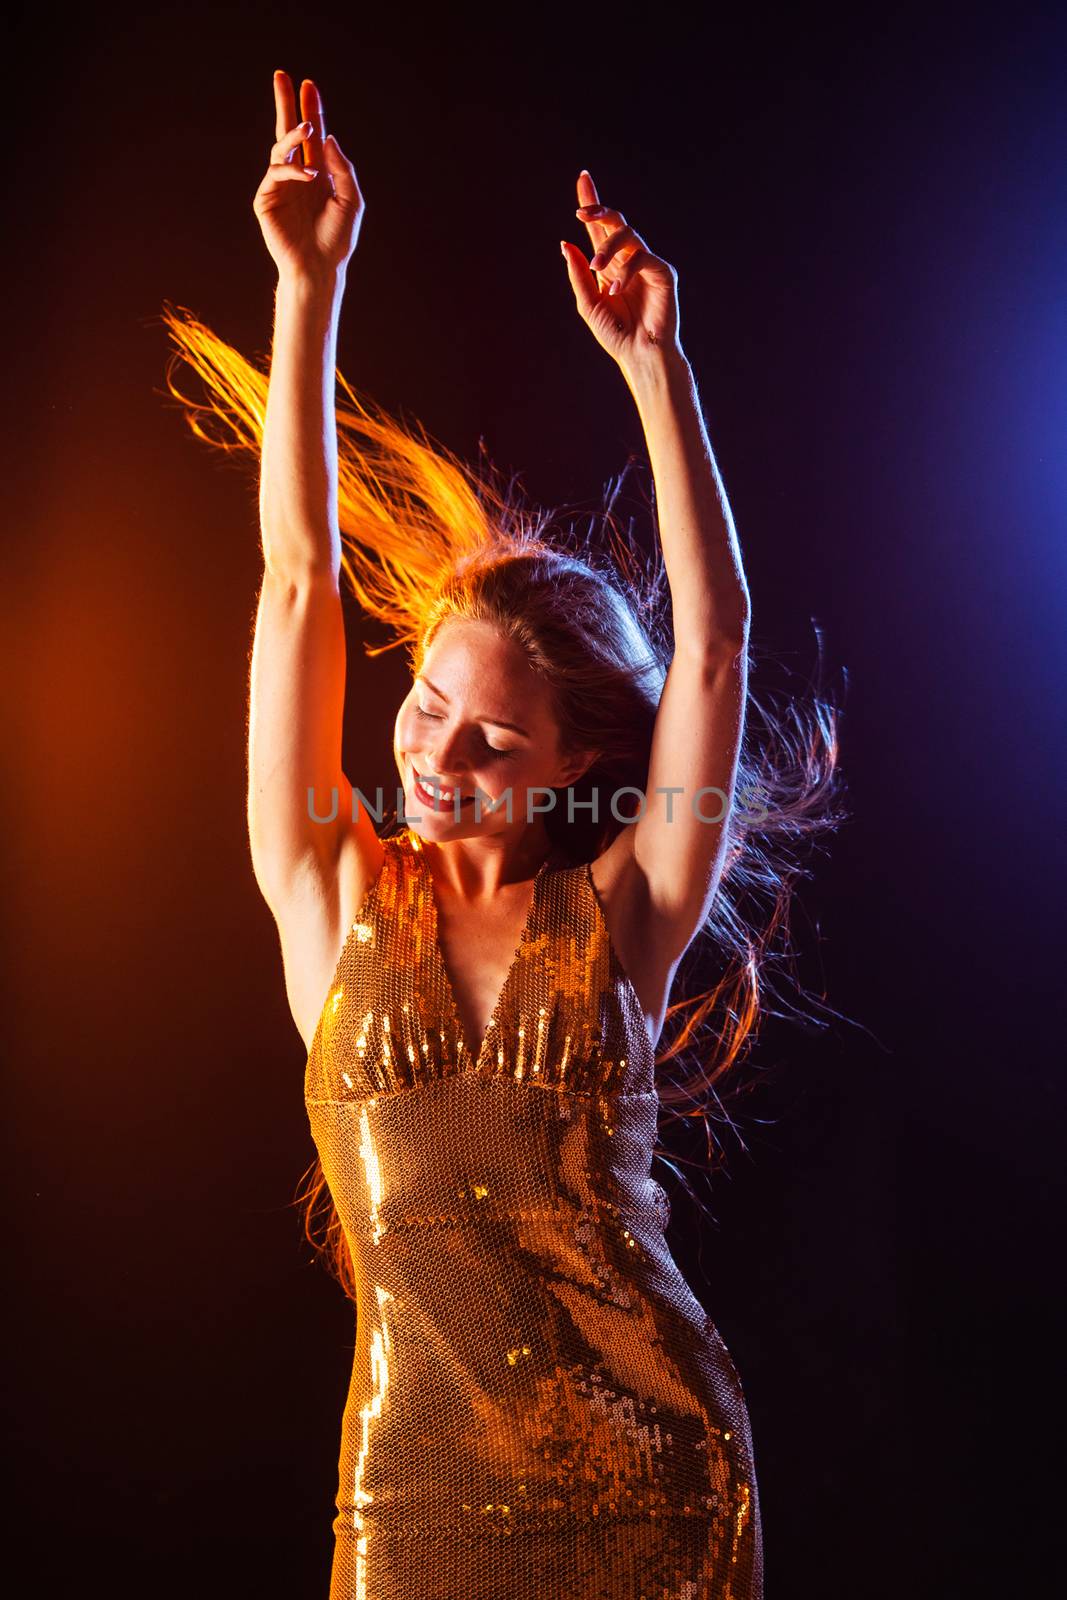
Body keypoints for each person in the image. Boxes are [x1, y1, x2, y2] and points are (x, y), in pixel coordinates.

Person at [161, 67, 841, 1600]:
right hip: (410, 1503)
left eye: (490, 736)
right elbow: (294, 586)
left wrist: (658, 368)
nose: (431, 747)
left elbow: (718, 644)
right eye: (425, 703)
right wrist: (308, 284)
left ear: (578, 769)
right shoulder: (327, 888)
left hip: (654, 1482)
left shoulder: (629, 908)